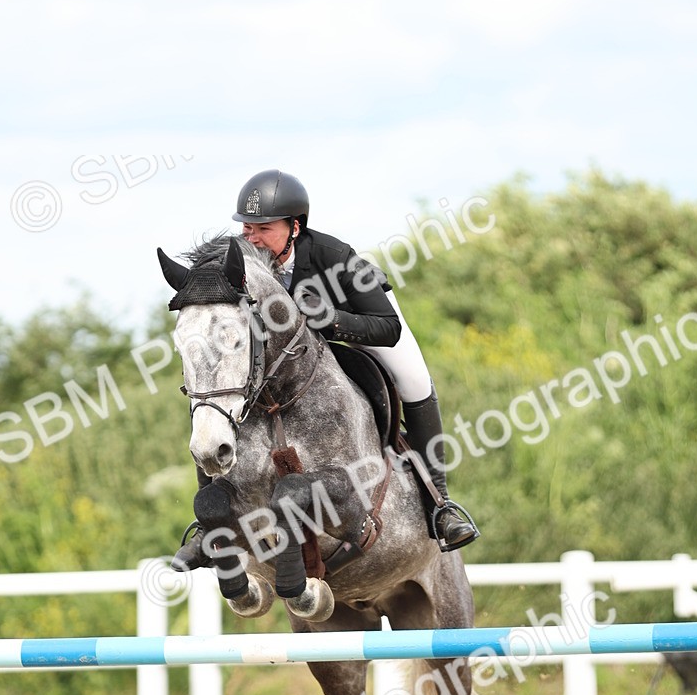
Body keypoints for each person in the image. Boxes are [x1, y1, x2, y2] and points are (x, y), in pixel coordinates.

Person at [173, 169, 479, 569]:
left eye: (264, 228)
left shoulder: (334, 256)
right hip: (290, 355)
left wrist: (331, 319)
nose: (252, 237)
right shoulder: (239, 262)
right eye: (247, 227)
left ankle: (439, 503)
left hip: (357, 325)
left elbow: (386, 328)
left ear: (295, 226)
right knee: (215, 388)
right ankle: (208, 525)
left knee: (415, 380)